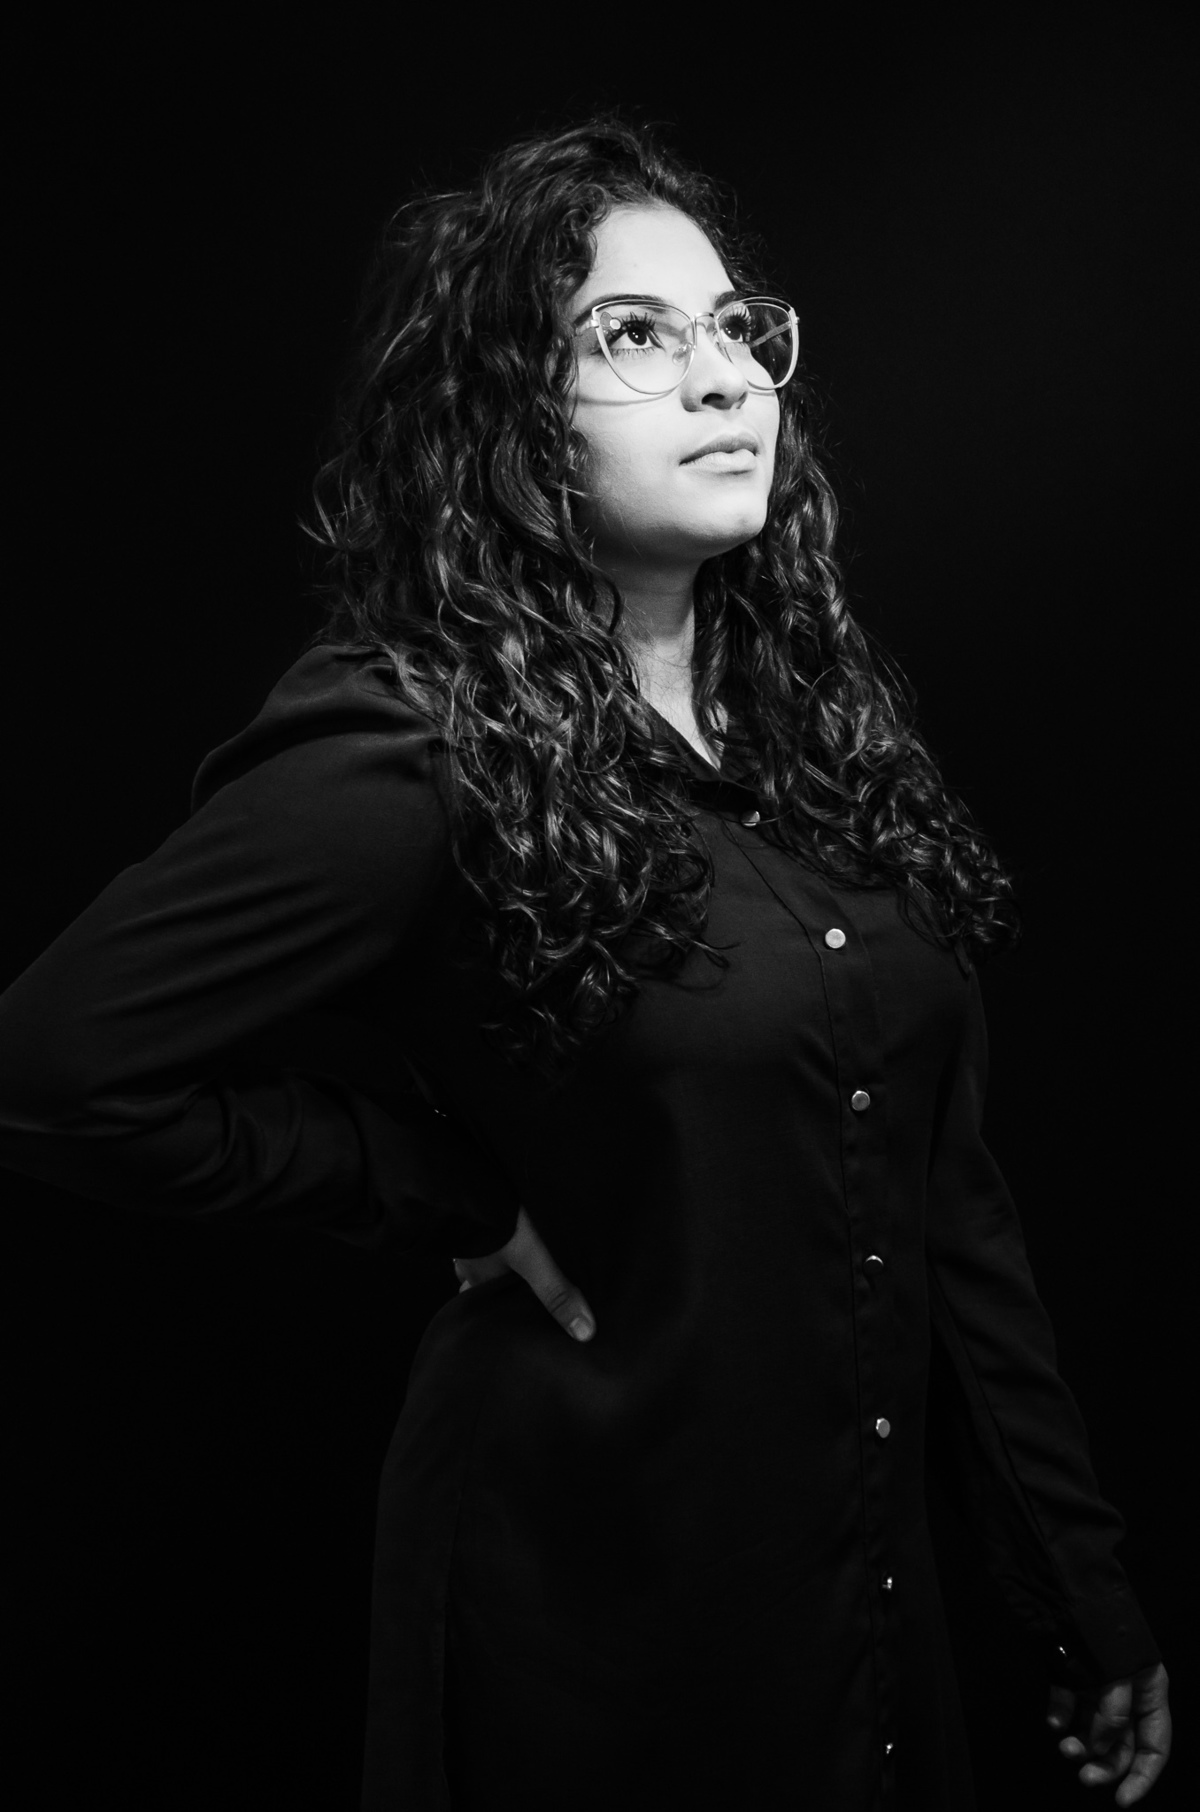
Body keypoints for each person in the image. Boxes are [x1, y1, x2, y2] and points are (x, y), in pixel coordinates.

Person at [0, 117, 1172, 1811]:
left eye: (737, 331)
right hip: (592, 1614)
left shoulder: (821, 743)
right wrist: (443, 1189)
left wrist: (1078, 1585)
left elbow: (948, 1208)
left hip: (856, 1605)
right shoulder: (414, 747)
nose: (724, 378)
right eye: (634, 334)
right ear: (508, 418)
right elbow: (53, 1064)